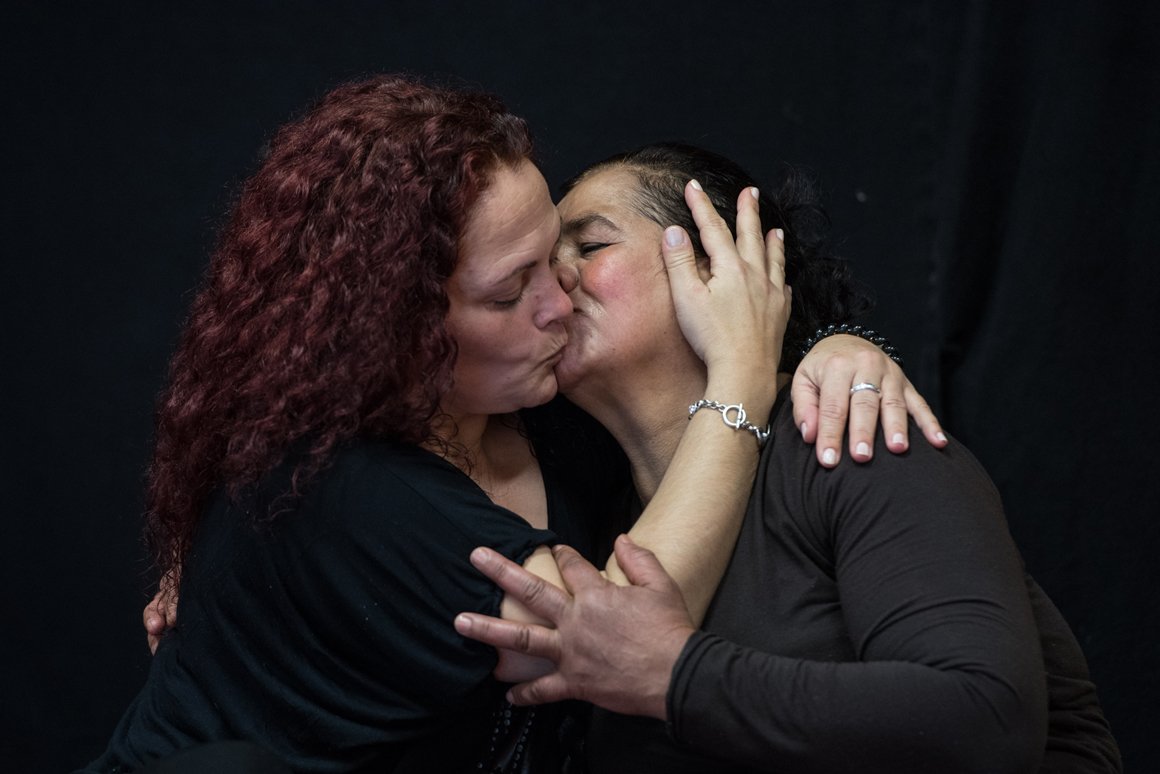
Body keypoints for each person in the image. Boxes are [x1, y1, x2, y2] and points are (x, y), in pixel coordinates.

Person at [82, 78, 931, 774]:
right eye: (510, 291)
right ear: (395, 332)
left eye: (559, 252)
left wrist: (840, 346)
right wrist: (744, 374)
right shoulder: (344, 489)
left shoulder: (545, 415)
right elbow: (613, 636)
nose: (561, 302)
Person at [455, 143, 1122, 772]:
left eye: (590, 245)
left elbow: (986, 719)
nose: (552, 282)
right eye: (533, 267)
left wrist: (676, 675)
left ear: (725, 266)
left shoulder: (846, 431)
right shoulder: (595, 520)